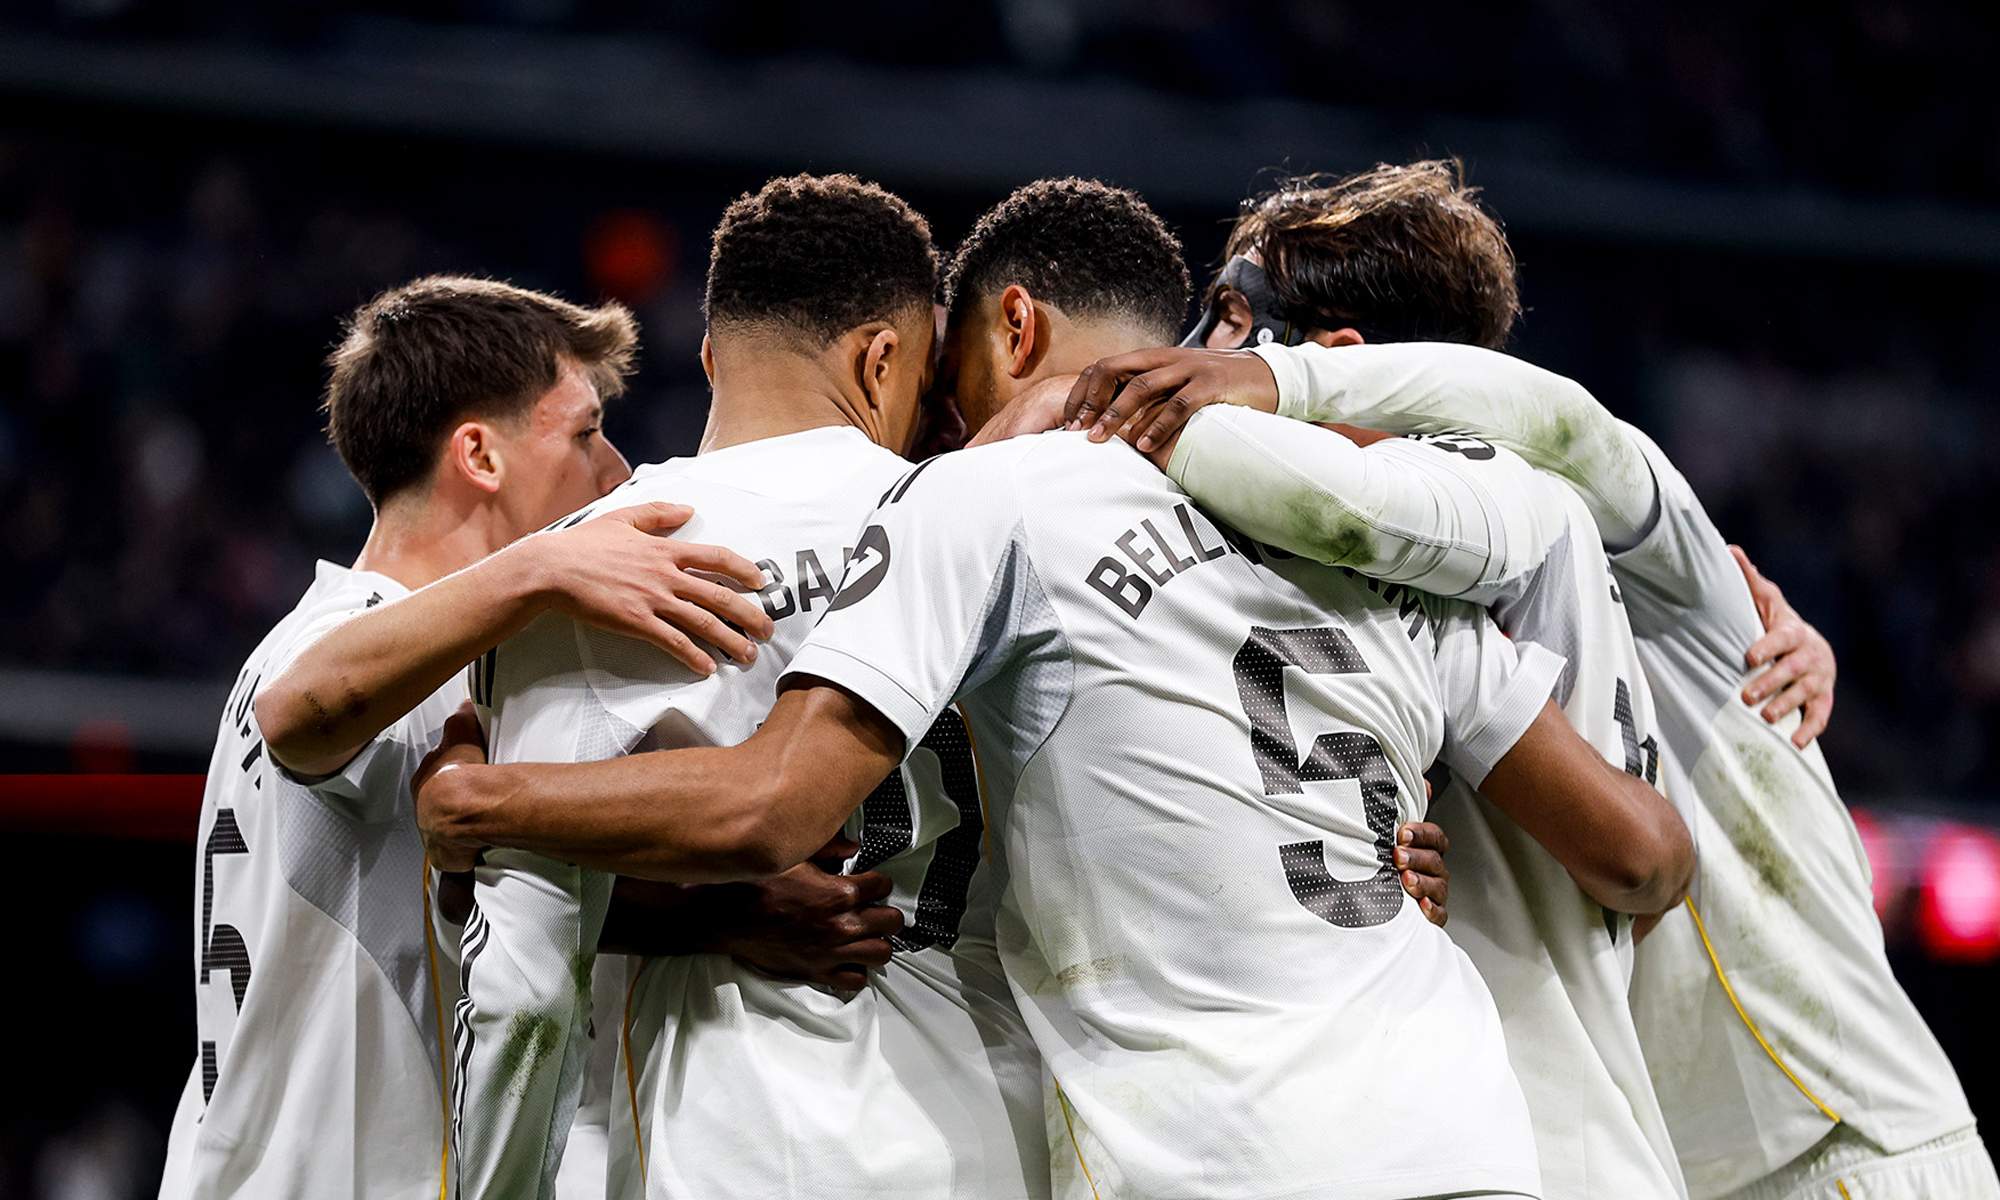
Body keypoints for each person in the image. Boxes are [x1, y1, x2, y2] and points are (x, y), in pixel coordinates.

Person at [417, 176, 1694, 1200]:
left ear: (1014, 331)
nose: (935, 428)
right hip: (1459, 1138)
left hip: (1202, 1152)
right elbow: (1645, 858)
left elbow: (770, 808)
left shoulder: (983, 497)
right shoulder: (1386, 536)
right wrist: (1403, 851)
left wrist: (481, 804)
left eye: (950, 389)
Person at [1058, 163, 1998, 1200]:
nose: (1195, 358)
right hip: (1658, 1162)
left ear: (1337, 354)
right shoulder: (1380, 586)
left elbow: (1560, 422)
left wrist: (1264, 392)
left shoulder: (1578, 515)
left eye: (1230, 320)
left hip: (1837, 1150)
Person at [158, 276, 796, 1199]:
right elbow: (302, 713)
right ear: (480, 458)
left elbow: (452, 905)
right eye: (583, 433)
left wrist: (724, 921)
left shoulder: (341, 637)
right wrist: (541, 566)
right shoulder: (350, 646)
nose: (615, 471)